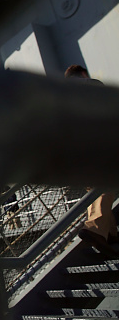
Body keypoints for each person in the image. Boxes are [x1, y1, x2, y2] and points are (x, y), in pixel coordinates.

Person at [64, 65, 118, 256]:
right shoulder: (92, 84)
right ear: (83, 74)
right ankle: (95, 229)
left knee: (94, 190)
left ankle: (109, 233)